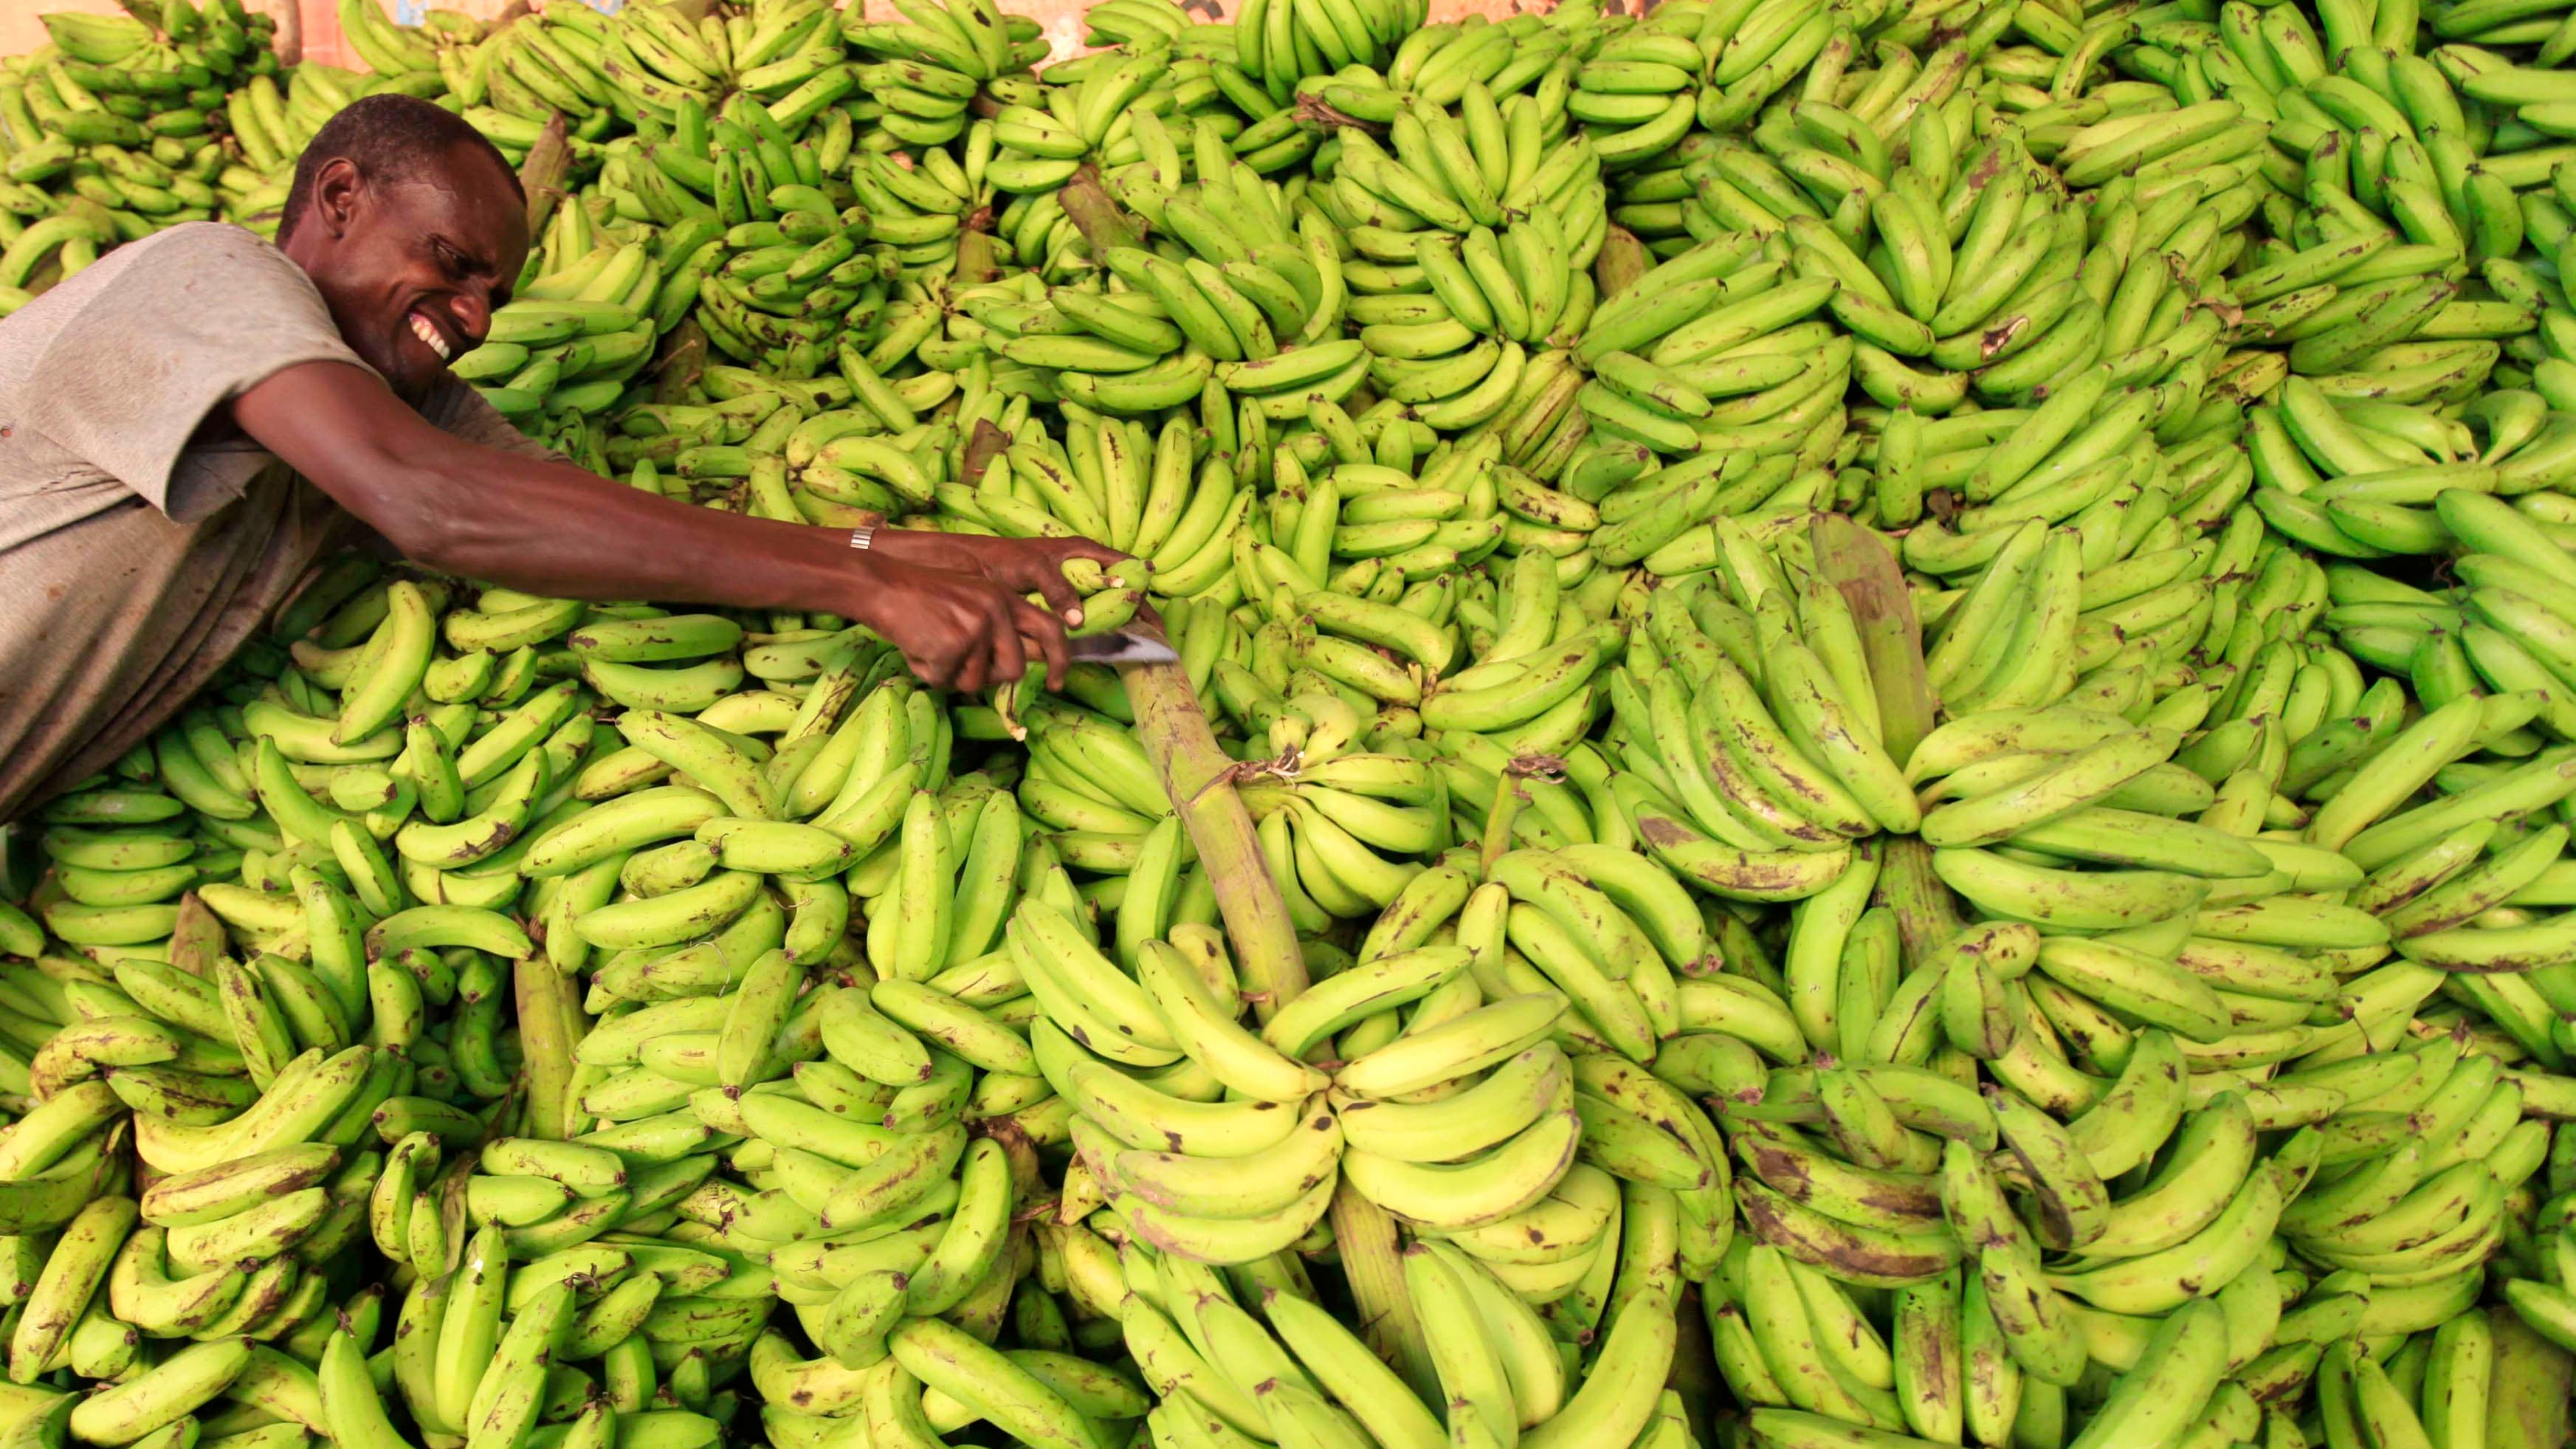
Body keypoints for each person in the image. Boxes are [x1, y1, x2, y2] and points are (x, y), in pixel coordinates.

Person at [0, 92, 1120, 824]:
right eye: (451, 261)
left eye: (494, 292)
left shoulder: (392, 400)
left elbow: (573, 517)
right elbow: (434, 507)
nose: (474, 316)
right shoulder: (208, 279)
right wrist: (863, 587)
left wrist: (945, 555)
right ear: (339, 197)